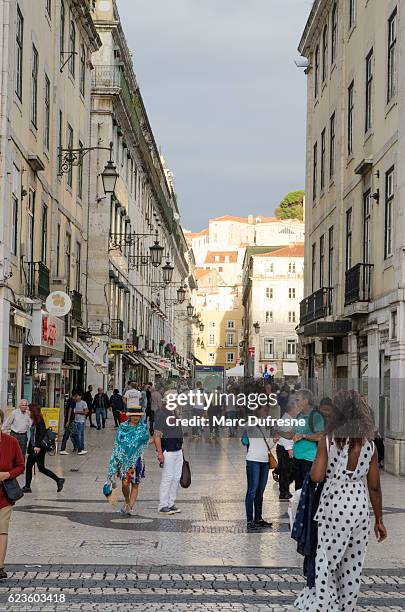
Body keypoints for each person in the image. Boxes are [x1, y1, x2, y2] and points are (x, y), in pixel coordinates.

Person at [295, 390, 387, 611]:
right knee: (352, 568)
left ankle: (325, 606)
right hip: (359, 507)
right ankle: (346, 607)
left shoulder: (329, 440)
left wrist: (322, 458)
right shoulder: (369, 445)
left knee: (326, 563)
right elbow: (374, 486)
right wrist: (379, 519)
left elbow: (316, 476)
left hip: (334, 506)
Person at [106, 405, 149, 516]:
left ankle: (129, 507)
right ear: (129, 415)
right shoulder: (122, 427)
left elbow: (144, 441)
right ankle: (127, 501)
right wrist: (115, 459)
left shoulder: (143, 428)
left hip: (137, 460)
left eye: (138, 415)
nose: (136, 417)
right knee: (125, 484)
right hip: (124, 460)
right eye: (134, 415)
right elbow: (118, 444)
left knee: (135, 484)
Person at [22, 404, 65, 493]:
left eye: (28, 410)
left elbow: (42, 434)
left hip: (38, 448)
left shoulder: (39, 421)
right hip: (35, 448)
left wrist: (37, 446)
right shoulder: (35, 420)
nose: (27, 412)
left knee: (31, 466)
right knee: (40, 467)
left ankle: (27, 486)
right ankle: (58, 480)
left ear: (33, 411)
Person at [243, 406, 273, 532]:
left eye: (267, 410)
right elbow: (244, 441)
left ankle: (258, 518)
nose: (267, 412)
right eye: (264, 410)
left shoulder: (267, 426)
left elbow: (268, 444)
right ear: (258, 411)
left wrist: (274, 440)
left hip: (264, 462)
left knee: (260, 491)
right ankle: (250, 520)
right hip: (253, 461)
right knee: (252, 490)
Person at [154, 393, 183, 514]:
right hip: (168, 450)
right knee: (167, 477)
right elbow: (157, 435)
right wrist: (160, 453)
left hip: (177, 449)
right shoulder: (161, 414)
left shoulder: (174, 413)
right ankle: (163, 505)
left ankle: (171, 503)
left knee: (176, 478)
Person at [293, 389, 324, 489]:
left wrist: (303, 436)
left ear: (306, 401)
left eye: (298, 400)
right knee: (298, 490)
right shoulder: (299, 415)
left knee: (308, 490)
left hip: (309, 459)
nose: (296, 403)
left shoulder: (316, 416)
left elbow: (320, 436)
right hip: (297, 457)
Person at [274, 399, 299, 500]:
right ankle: (283, 492)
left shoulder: (289, 418)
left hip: (286, 448)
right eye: (296, 409)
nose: (297, 411)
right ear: (291, 409)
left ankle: (285, 489)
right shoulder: (287, 419)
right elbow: (285, 437)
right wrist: (289, 450)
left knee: (288, 470)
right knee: (286, 471)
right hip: (284, 449)